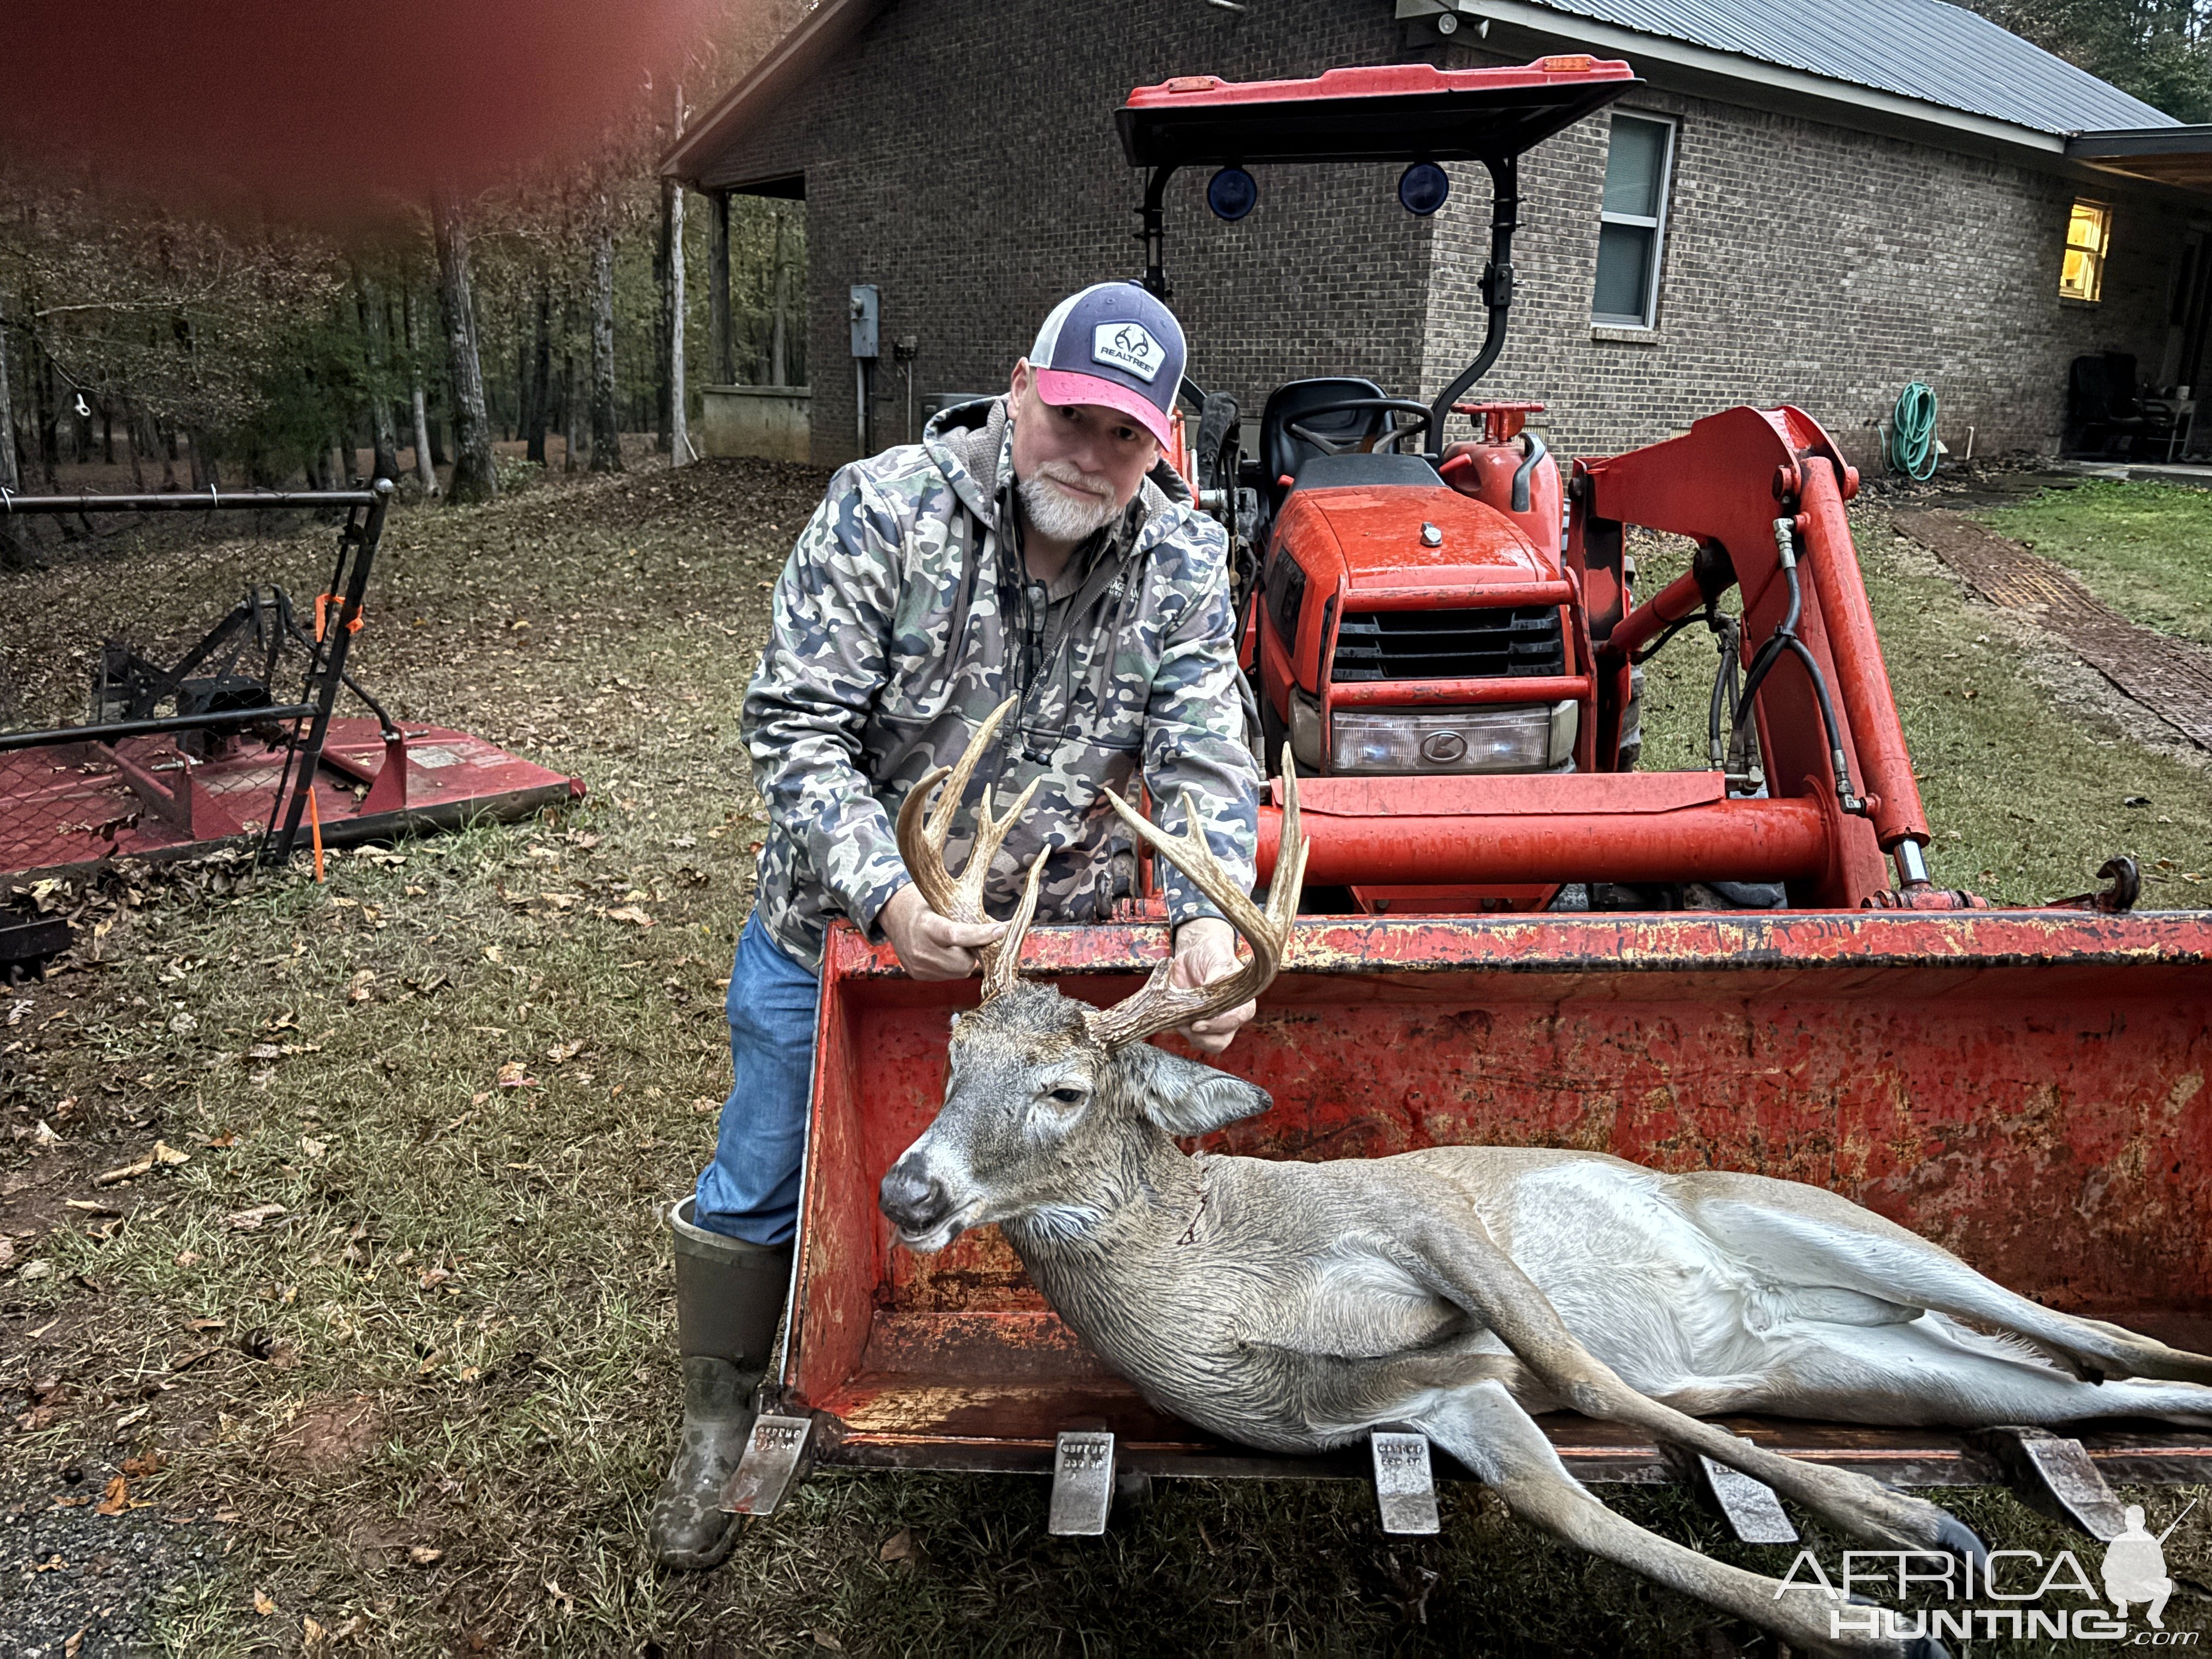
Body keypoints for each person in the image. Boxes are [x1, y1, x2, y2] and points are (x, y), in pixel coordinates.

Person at [649, 281, 1262, 1567]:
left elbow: (1209, 759)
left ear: (1164, 447)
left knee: (1074, 1183)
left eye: (1128, 439)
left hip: (1055, 973)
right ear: (1021, 385)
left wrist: (1208, 914)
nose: (1095, 460)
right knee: (766, 1176)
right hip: (854, 941)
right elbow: (795, 728)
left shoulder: (1182, 560)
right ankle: (716, 1422)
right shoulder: (885, 511)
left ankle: (1092, 1377)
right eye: (1078, 419)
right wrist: (888, 891)